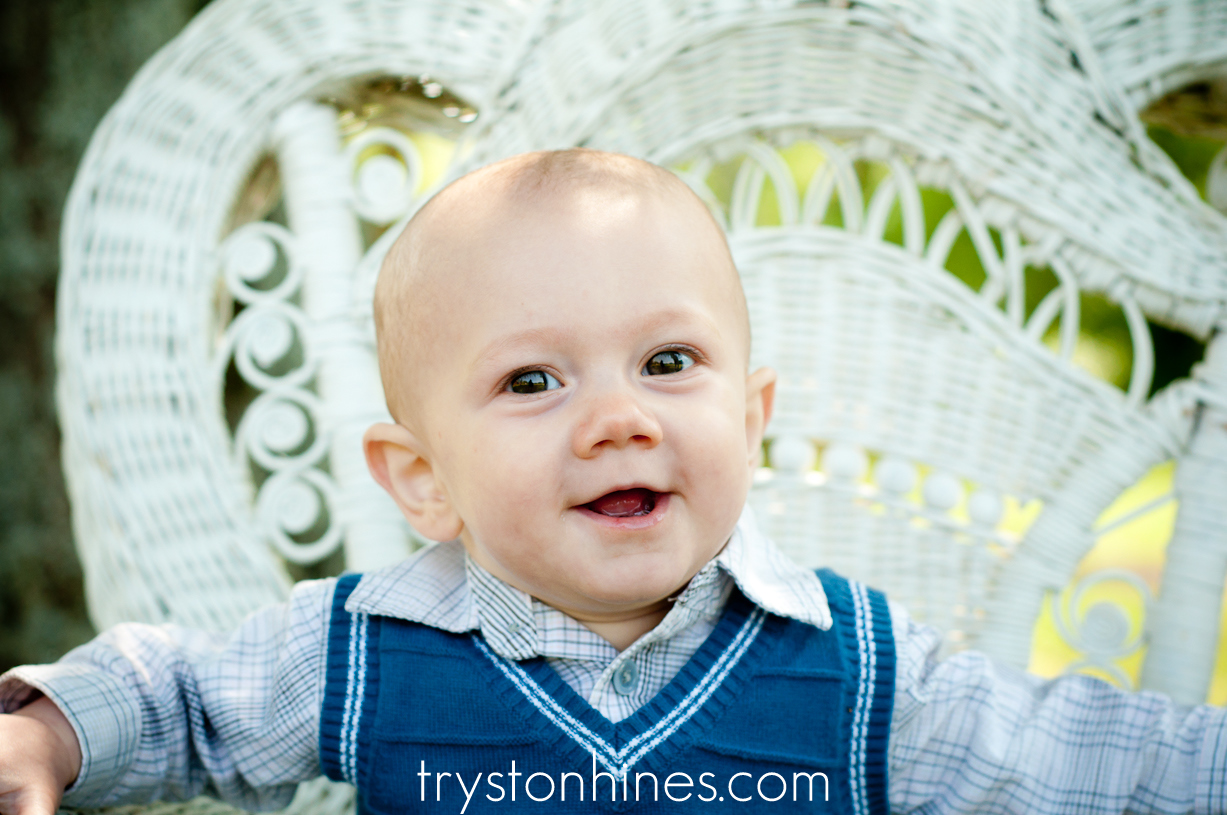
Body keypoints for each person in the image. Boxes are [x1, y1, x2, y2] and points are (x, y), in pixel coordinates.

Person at [0, 149, 1222, 815]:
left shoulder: (856, 674)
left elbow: (1087, 760)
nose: (619, 418)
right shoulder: (362, 654)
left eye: (668, 362)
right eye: (533, 380)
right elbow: (183, 698)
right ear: (423, 480)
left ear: (750, 419)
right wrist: (47, 734)